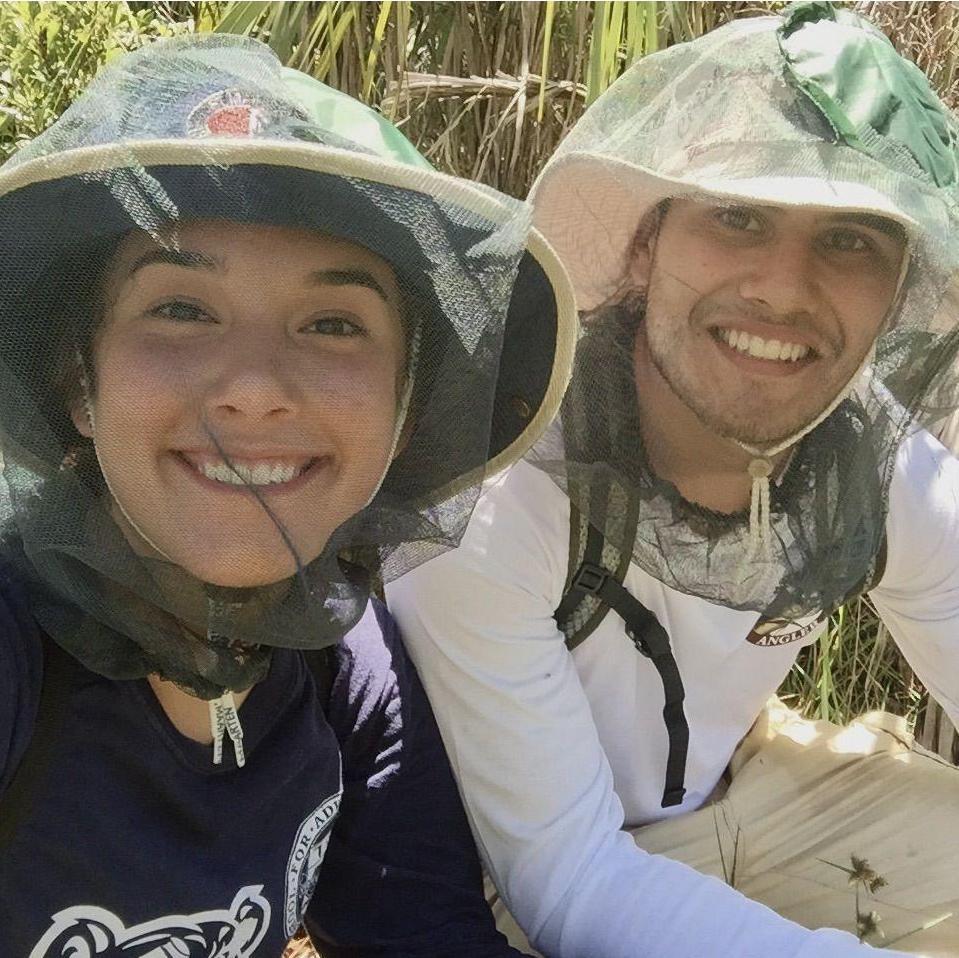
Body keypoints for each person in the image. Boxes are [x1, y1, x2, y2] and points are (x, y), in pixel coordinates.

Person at [387, 3, 959, 956]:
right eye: (737, 217)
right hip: (530, 881)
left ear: (897, 289)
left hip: (763, 785)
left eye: (850, 239)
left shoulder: (875, 463)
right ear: (644, 247)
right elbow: (568, 884)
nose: (783, 287)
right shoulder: (493, 492)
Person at [0, 34, 575, 958]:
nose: (255, 388)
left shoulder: (344, 660)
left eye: (332, 323)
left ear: (403, 405)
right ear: (78, 377)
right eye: (181, 309)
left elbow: (420, 925)